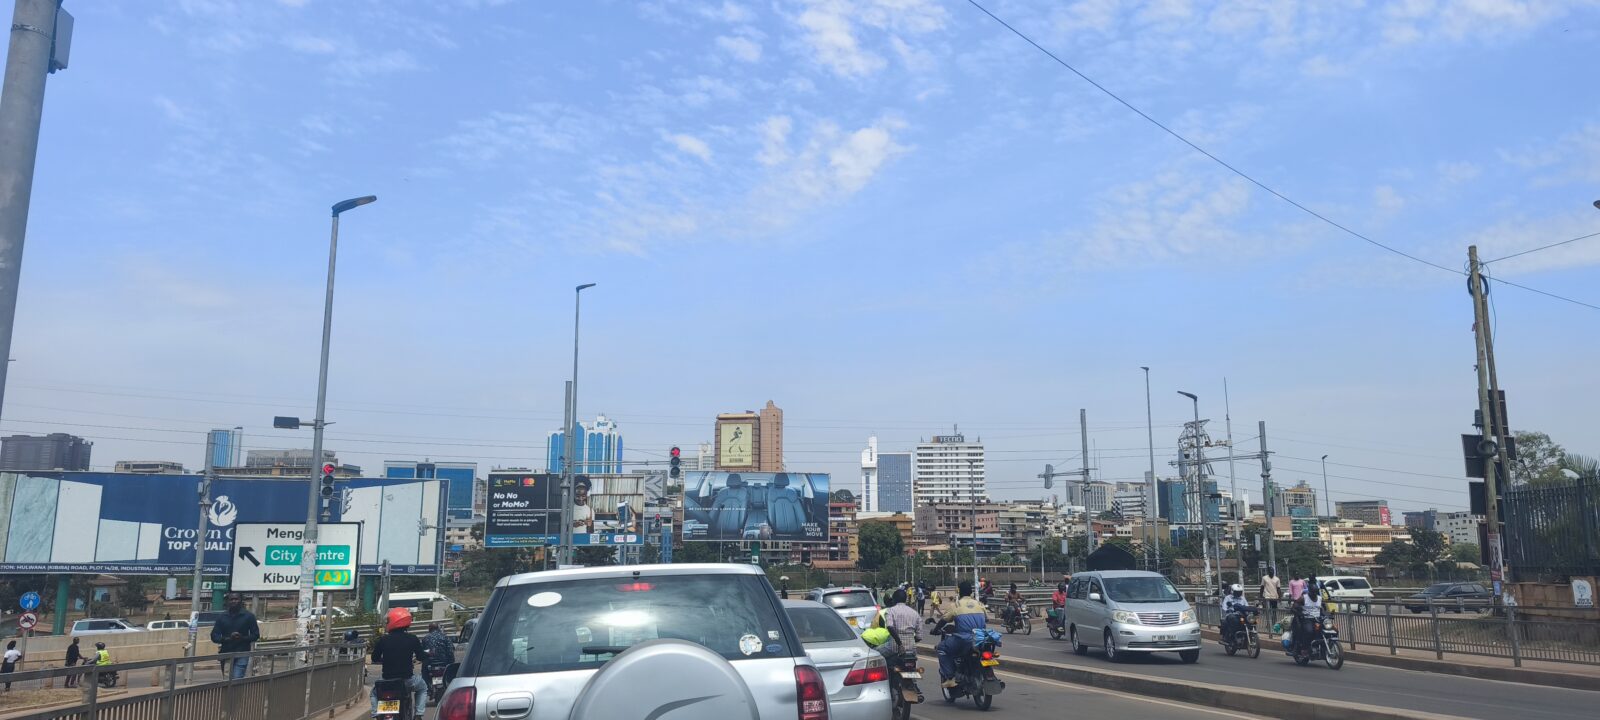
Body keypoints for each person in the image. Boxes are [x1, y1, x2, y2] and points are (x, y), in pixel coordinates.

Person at [371, 608, 429, 719]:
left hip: (387, 681)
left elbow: (374, 657)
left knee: (374, 693)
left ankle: (376, 715)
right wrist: (428, 655)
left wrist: (384, 660)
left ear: (393, 621)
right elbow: (421, 656)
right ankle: (418, 715)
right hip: (407, 680)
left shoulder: (383, 640)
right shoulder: (412, 639)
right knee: (423, 688)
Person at [935, 580, 988, 689]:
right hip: (980, 639)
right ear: (971, 592)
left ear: (959, 592)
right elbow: (986, 619)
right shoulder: (980, 604)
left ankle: (950, 678)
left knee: (941, 648)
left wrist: (936, 629)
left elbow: (944, 620)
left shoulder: (956, 605)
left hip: (963, 640)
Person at [210, 592, 260, 680]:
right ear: (228, 601)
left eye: (236, 599)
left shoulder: (248, 616)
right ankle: (229, 694)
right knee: (227, 680)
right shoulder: (222, 617)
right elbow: (214, 636)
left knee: (237, 678)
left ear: (241, 601)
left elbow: (255, 635)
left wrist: (242, 638)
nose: (234, 601)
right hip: (226, 653)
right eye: (231, 599)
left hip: (242, 652)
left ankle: (236, 693)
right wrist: (227, 638)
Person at [1291, 583, 1323, 659]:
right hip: (1307, 619)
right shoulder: (1303, 598)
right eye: (1313, 592)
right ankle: (1304, 649)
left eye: (1316, 592)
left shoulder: (1319, 598)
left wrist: (1328, 614)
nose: (1314, 594)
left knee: (1330, 629)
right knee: (1309, 631)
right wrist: (1299, 612)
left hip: (1317, 619)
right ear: (1310, 591)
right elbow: (1294, 607)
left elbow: (1322, 609)